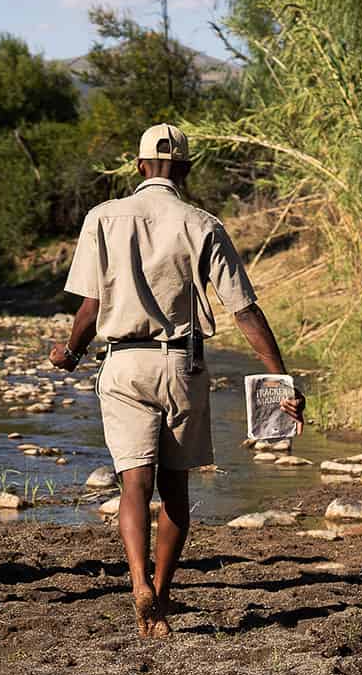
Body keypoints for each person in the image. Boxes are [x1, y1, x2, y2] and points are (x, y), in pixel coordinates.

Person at [50, 124, 303, 638]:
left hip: (123, 364)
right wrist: (282, 378)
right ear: (185, 170)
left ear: (139, 167)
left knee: (133, 484)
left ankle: (137, 582)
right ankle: (161, 600)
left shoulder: (103, 218)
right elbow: (244, 310)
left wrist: (71, 353)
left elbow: (91, 306)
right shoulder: (203, 223)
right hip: (182, 365)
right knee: (176, 493)